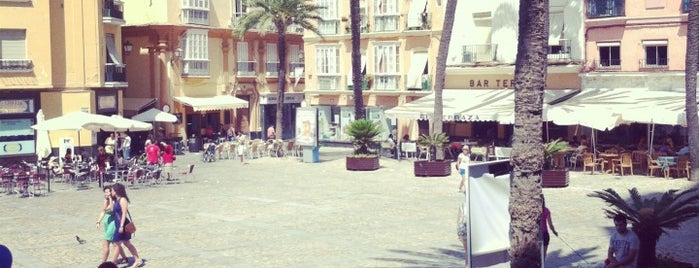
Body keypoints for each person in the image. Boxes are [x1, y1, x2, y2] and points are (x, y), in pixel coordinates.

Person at [110, 183, 143, 268]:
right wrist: (110, 198)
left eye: (112, 190)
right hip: (118, 223)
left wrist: (121, 226)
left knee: (117, 243)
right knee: (126, 243)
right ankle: (137, 260)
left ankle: (112, 264)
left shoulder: (122, 200)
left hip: (123, 224)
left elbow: (124, 213)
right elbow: (112, 210)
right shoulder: (116, 200)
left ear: (116, 191)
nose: (111, 191)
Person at [96, 186, 127, 265]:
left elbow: (113, 210)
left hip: (113, 223)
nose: (105, 194)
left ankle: (104, 263)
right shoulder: (105, 200)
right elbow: (103, 211)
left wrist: (110, 199)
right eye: (105, 192)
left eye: (108, 192)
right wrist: (98, 221)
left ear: (112, 192)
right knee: (115, 243)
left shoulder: (115, 201)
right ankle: (124, 258)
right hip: (107, 223)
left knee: (106, 243)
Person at [456, 200, 469, 268]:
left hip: (463, 228)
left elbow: (458, 220)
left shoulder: (462, 205)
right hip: (471, 228)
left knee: (467, 250)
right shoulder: (476, 204)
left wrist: (459, 233)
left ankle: (466, 265)